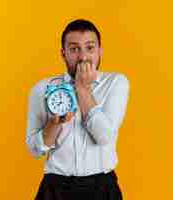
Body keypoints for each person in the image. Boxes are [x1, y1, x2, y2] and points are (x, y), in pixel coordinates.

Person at [26, 19, 129, 200]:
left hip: (101, 188)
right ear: (63, 53)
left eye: (90, 48)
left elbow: (104, 136)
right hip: (56, 188)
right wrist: (54, 123)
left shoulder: (116, 83)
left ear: (100, 51)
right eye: (74, 49)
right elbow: (35, 150)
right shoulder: (43, 89)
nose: (83, 57)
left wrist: (83, 88)